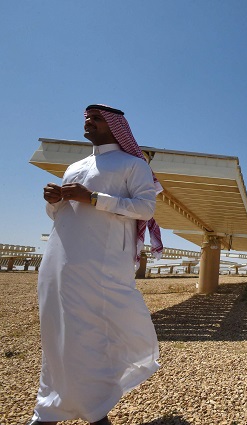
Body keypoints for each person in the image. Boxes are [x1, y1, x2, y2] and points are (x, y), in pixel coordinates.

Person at [29, 104, 164, 425]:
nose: (88, 122)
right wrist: (56, 201)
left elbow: (145, 208)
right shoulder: (74, 167)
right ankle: (52, 403)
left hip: (100, 263)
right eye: (86, 118)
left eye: (97, 118)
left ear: (115, 127)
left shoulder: (133, 165)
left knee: (88, 332)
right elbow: (63, 215)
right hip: (60, 259)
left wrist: (92, 198)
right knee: (56, 329)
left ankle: (88, 409)